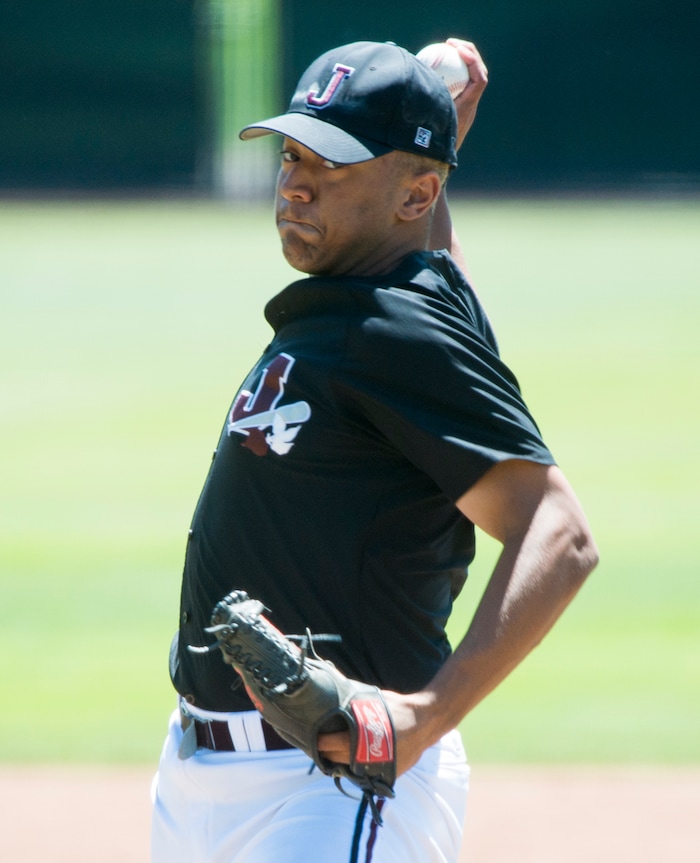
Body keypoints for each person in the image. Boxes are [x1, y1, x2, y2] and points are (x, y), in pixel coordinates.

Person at [150, 37, 598, 863]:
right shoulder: (385, 297)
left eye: (334, 162)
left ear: (415, 192)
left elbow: (561, 534)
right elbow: (439, 271)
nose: (294, 180)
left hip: (330, 789)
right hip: (201, 785)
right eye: (292, 151)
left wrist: (422, 717)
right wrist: (434, 152)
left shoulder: (393, 329)